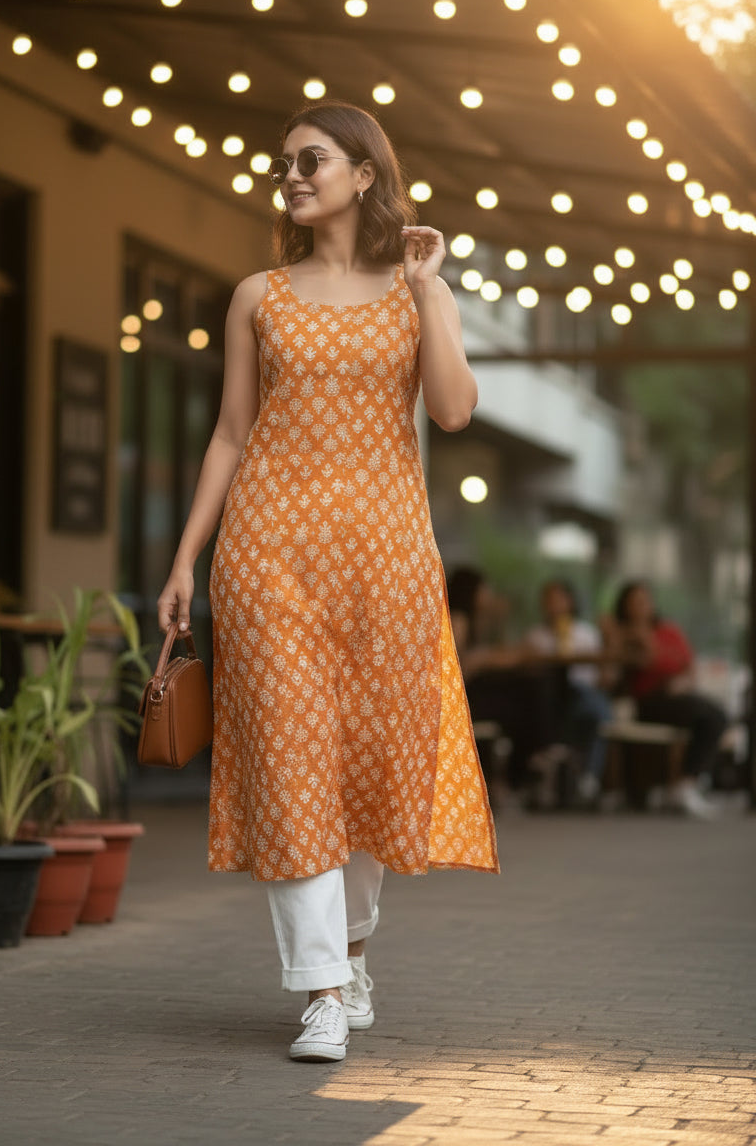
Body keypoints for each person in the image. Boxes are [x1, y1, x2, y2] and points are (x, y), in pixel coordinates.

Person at [157, 101, 499, 1064]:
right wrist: (186, 559)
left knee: (368, 763)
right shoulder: (257, 296)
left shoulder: (415, 289)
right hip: (270, 558)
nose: (294, 176)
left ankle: (350, 953)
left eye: (312, 160)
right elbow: (230, 432)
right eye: (286, 165)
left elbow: (455, 409)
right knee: (293, 761)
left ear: (365, 173)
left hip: (387, 562)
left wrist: (432, 292)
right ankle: (321, 991)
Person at [603, 580, 725, 818]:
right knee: (708, 715)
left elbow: (689, 666)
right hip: (647, 701)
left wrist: (682, 682)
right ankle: (682, 786)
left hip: (677, 696)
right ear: (624, 606)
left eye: (645, 601)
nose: (641, 607)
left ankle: (686, 783)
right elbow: (645, 660)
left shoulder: (669, 630)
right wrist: (633, 633)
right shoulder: (621, 634)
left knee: (715, 715)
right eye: (635, 602)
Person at [446, 566, 557, 793]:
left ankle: (530, 761)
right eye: (484, 588)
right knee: (529, 697)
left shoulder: (476, 620)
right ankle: (531, 760)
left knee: (532, 687)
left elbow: (497, 651)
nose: (489, 593)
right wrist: (485, 658)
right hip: (464, 700)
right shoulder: (458, 618)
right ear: (471, 591)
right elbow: (458, 666)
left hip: (475, 694)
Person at [523, 578, 612, 805]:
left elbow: (602, 673)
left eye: (558, 599)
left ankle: (588, 777)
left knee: (597, 713)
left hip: (582, 692)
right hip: (550, 697)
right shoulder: (536, 636)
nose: (554, 605)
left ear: (570, 602)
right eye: (548, 600)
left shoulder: (586, 633)